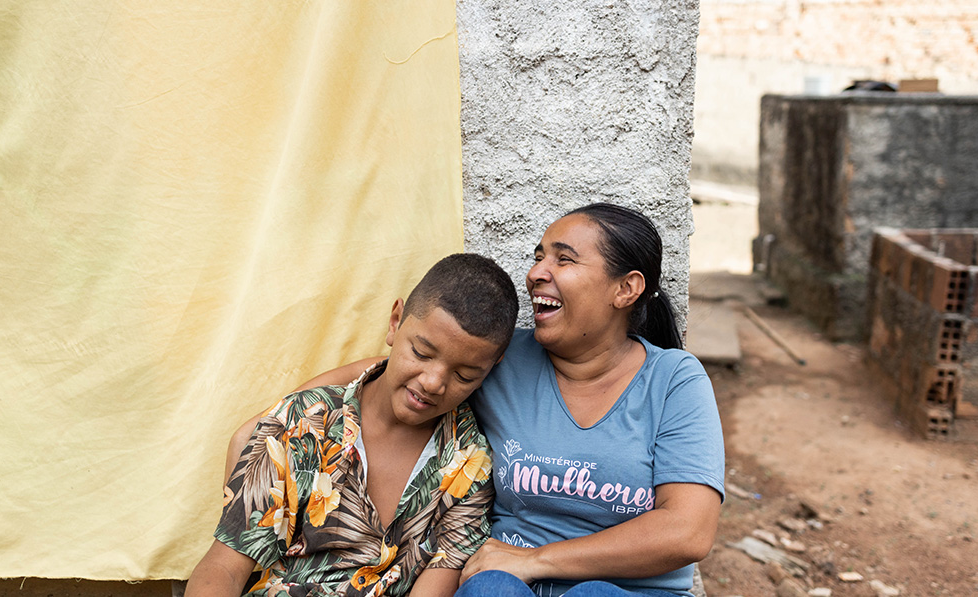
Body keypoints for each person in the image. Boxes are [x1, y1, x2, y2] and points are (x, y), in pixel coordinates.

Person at [229, 203, 725, 597]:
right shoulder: (506, 358)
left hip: (625, 591)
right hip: (500, 584)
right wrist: (280, 421)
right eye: (538, 256)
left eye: (564, 259)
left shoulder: (674, 381)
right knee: (490, 589)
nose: (537, 272)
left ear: (627, 289)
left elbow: (687, 532)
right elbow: (399, 370)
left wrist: (537, 561)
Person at [186, 253, 520, 597]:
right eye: (421, 353)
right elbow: (224, 567)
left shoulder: (470, 463)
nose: (434, 382)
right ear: (395, 322)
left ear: (491, 368)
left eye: (464, 375)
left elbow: (438, 582)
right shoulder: (303, 425)